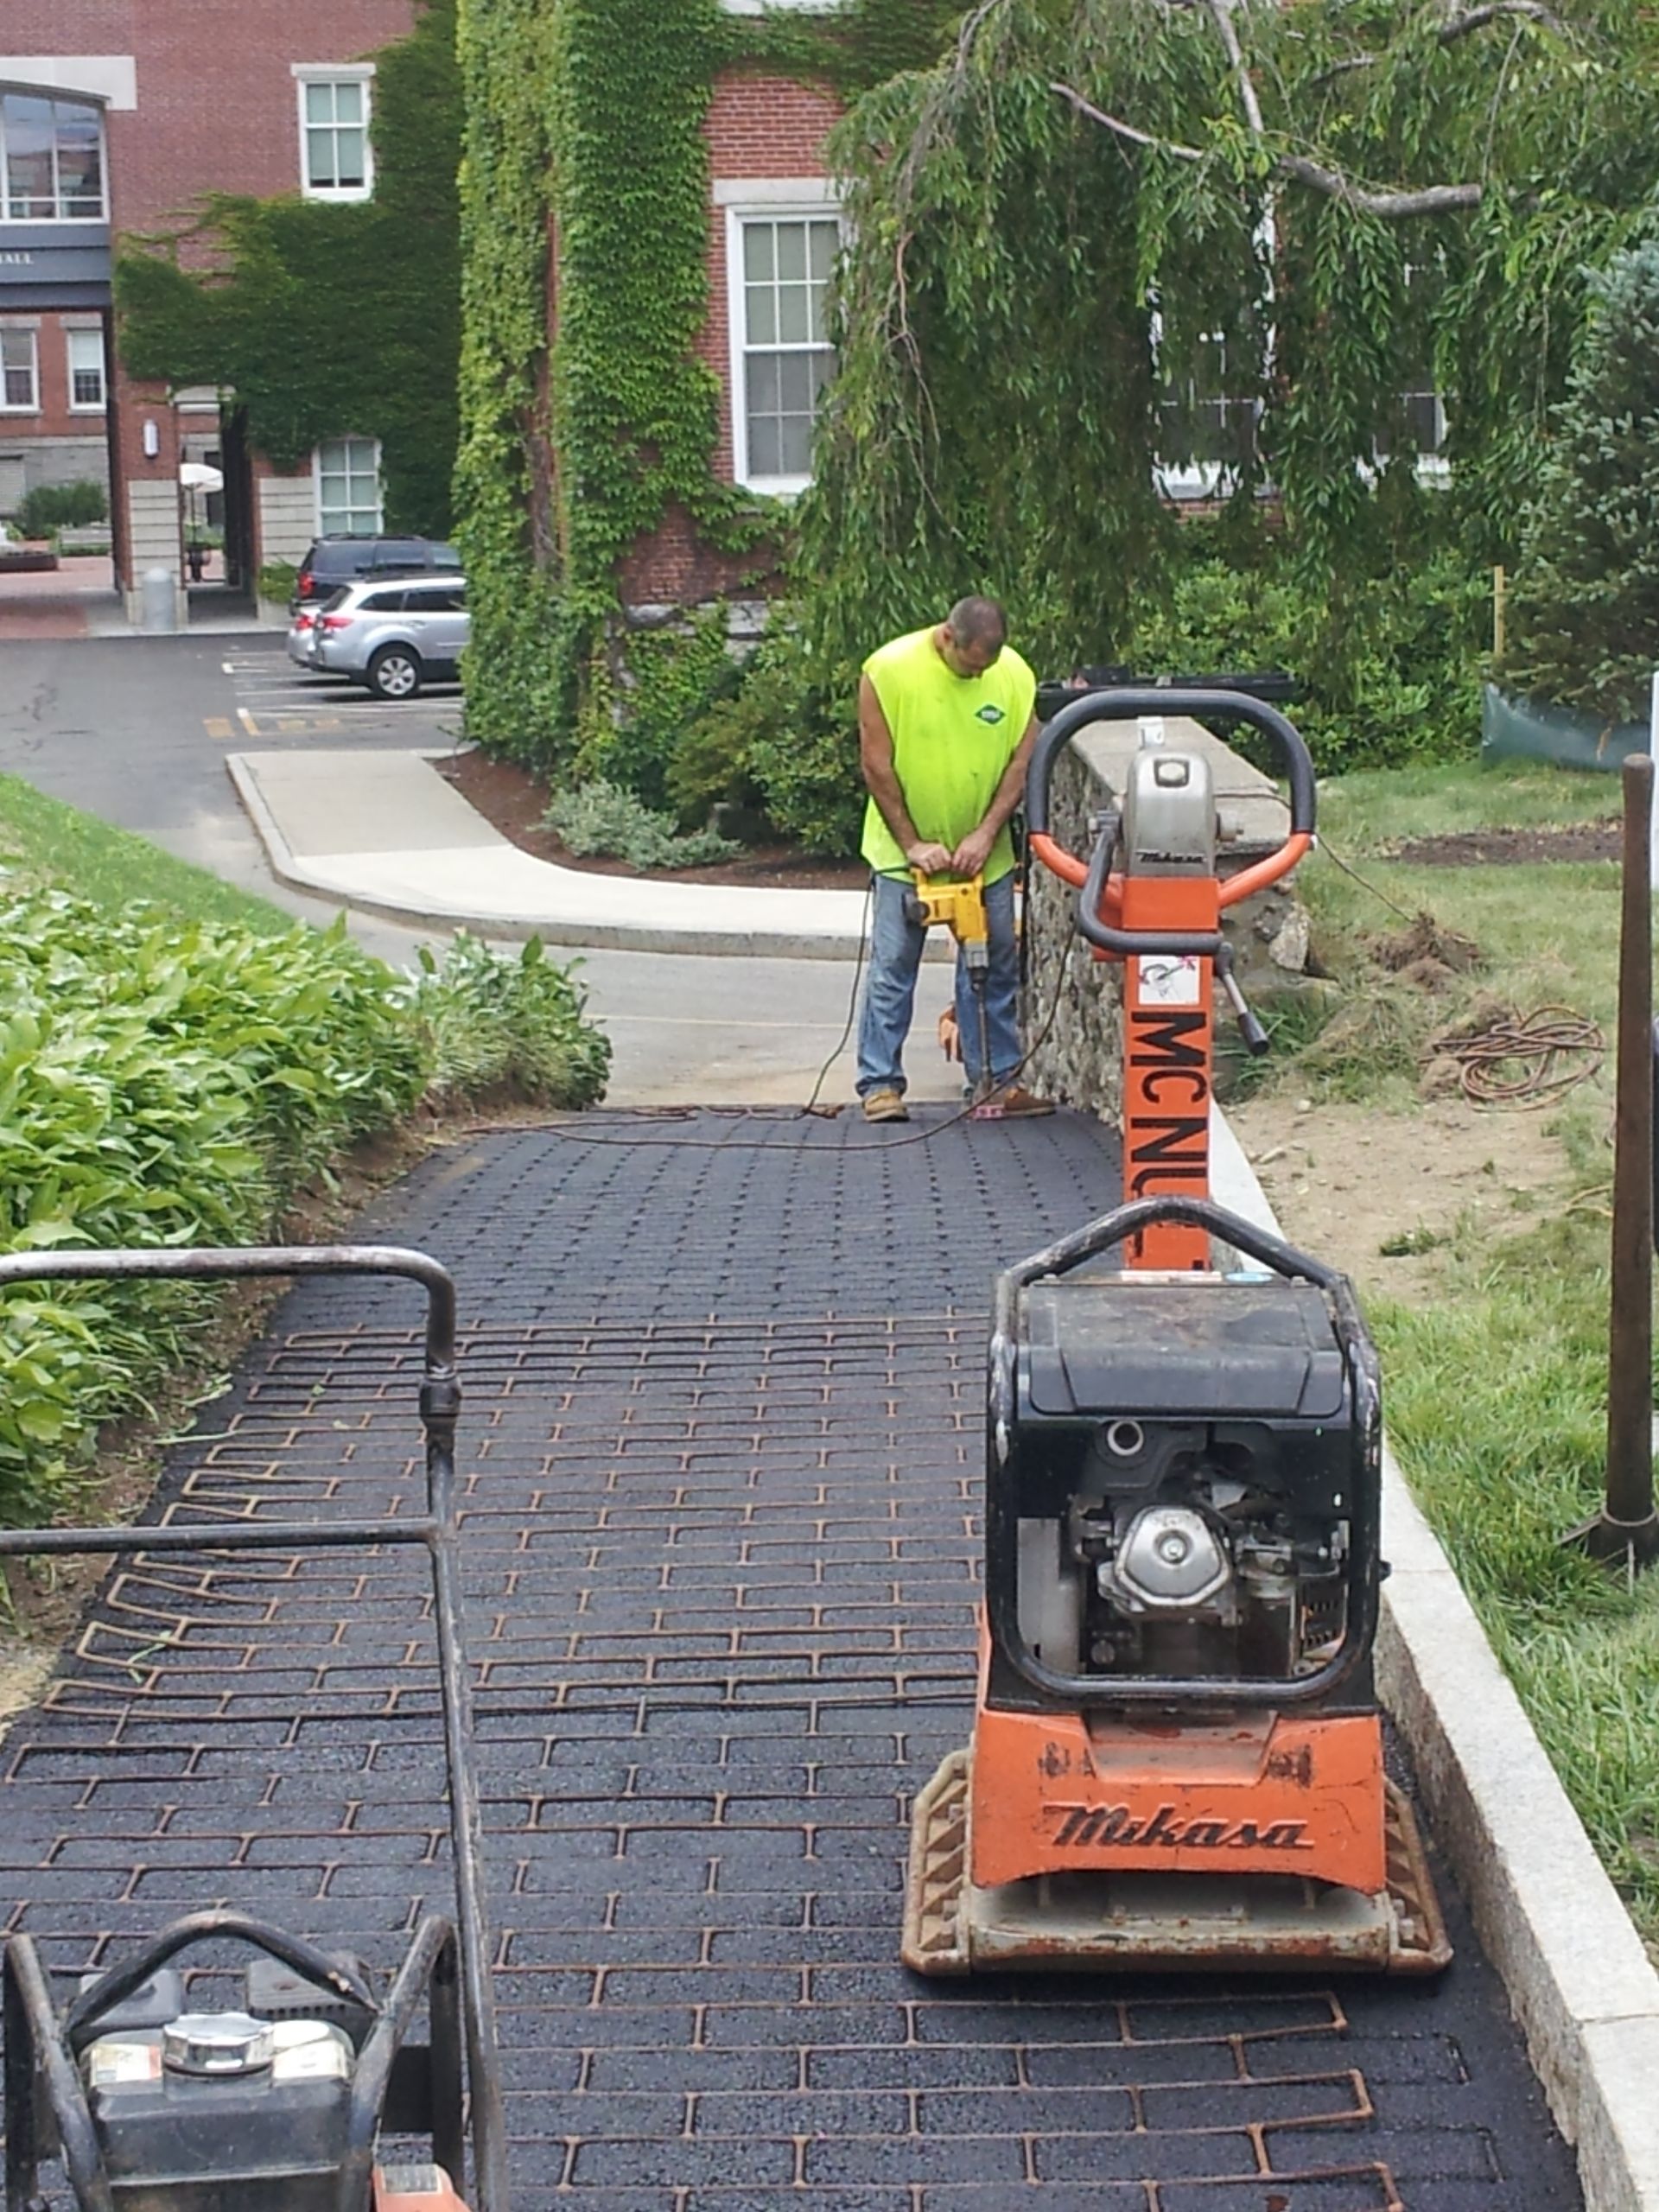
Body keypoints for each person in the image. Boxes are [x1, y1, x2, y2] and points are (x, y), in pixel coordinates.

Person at [855, 596, 1052, 1122]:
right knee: (894, 969)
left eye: (986, 667)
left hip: (983, 858)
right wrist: (912, 843)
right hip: (904, 859)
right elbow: (876, 765)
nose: (979, 676)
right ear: (947, 637)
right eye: (970, 667)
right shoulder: (889, 671)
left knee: (993, 967)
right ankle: (880, 1085)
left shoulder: (1014, 675)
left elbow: (1023, 760)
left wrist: (986, 833)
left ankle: (995, 1081)